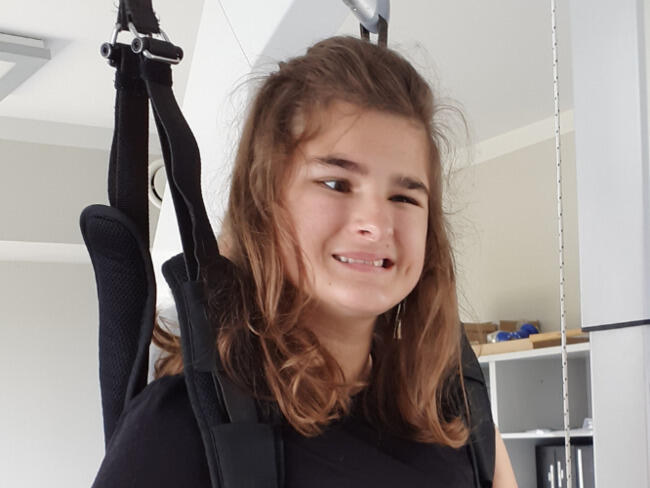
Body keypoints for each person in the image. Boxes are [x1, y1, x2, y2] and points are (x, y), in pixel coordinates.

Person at [92, 35, 517, 487]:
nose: (376, 224)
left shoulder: (453, 415)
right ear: (263, 205)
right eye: (336, 184)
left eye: (404, 197)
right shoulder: (178, 427)